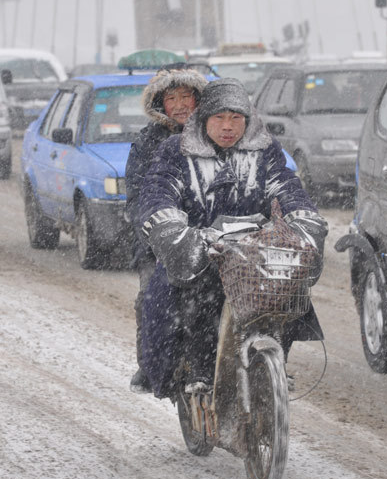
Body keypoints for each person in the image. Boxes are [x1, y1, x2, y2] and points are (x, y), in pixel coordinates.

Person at [138, 78, 328, 397]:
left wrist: (304, 222)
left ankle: (274, 358)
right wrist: (174, 231)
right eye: (219, 118)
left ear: (247, 120)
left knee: (288, 291)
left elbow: (287, 188)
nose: (228, 126)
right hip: (201, 248)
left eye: (236, 118)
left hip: (253, 250)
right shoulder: (175, 151)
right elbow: (159, 194)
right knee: (187, 300)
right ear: (204, 119)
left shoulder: (264, 150)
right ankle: (198, 366)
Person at [125, 65, 209, 394]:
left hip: (213, 233)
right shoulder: (147, 142)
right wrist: (157, 229)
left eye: (185, 96)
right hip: (161, 241)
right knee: (151, 298)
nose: (179, 105)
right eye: (170, 98)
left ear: (199, 99)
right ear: (160, 105)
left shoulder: (218, 132)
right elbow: (137, 197)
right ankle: (151, 365)